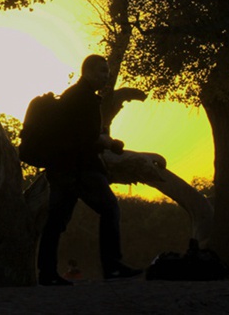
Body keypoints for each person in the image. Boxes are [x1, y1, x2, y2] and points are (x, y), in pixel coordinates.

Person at [36, 54, 142, 286]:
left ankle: (46, 272)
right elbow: (85, 138)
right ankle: (112, 267)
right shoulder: (82, 99)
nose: (106, 76)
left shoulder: (76, 97)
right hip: (78, 168)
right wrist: (108, 143)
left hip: (64, 167)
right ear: (88, 72)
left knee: (56, 221)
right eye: (102, 71)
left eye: (107, 71)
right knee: (110, 209)